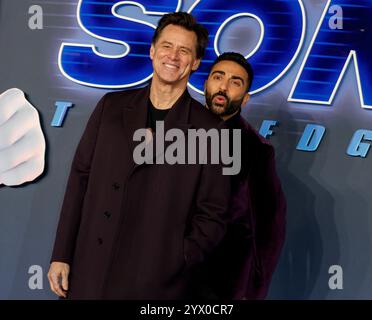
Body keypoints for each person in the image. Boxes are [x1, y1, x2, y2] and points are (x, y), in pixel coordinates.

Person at [48, 13, 230, 299]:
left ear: (195, 62)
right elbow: (80, 181)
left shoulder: (211, 130)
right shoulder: (111, 107)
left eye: (184, 51)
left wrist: (177, 259)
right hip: (89, 269)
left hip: (155, 284)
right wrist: (62, 254)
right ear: (152, 51)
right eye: (167, 46)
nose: (173, 56)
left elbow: (214, 213)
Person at [201, 52, 286, 299]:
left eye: (235, 82)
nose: (224, 87)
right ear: (206, 84)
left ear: (246, 98)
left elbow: (269, 228)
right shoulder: (174, 132)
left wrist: (251, 288)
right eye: (218, 77)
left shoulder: (255, 149)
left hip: (218, 280)